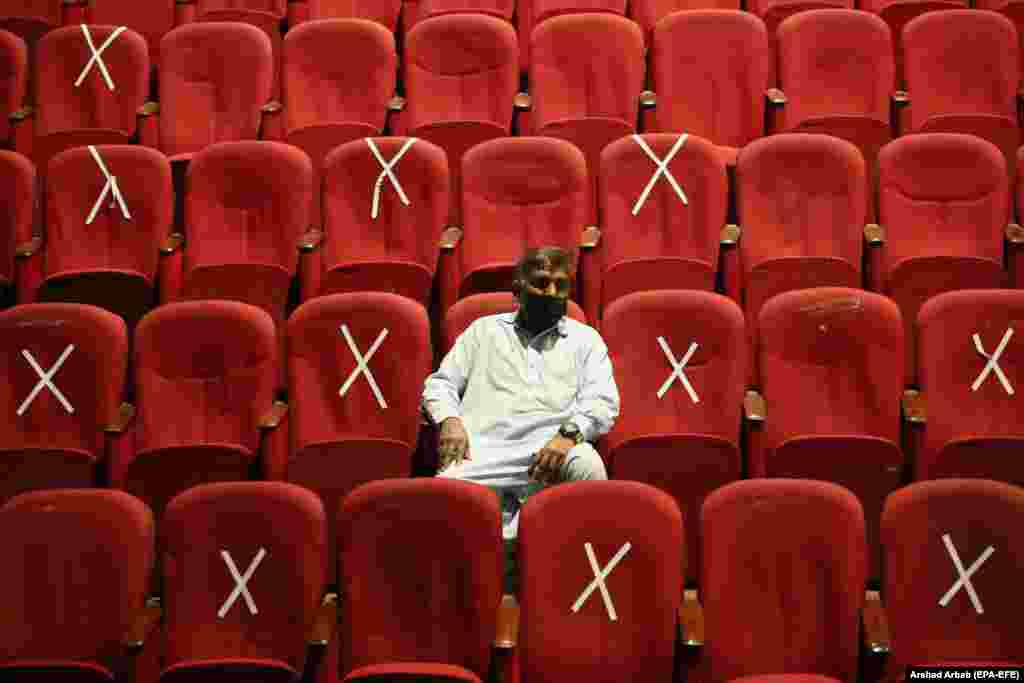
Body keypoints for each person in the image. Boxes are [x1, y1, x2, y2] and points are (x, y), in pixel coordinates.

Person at [421, 246, 620, 591]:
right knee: (443, 493)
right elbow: (441, 384)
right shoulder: (482, 332)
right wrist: (450, 420)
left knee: (589, 466)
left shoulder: (586, 340)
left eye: (561, 285)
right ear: (517, 289)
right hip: (483, 449)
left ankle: (576, 582)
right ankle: (460, 596)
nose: (552, 293)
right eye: (541, 283)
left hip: (552, 449)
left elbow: (602, 403)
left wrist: (568, 436)